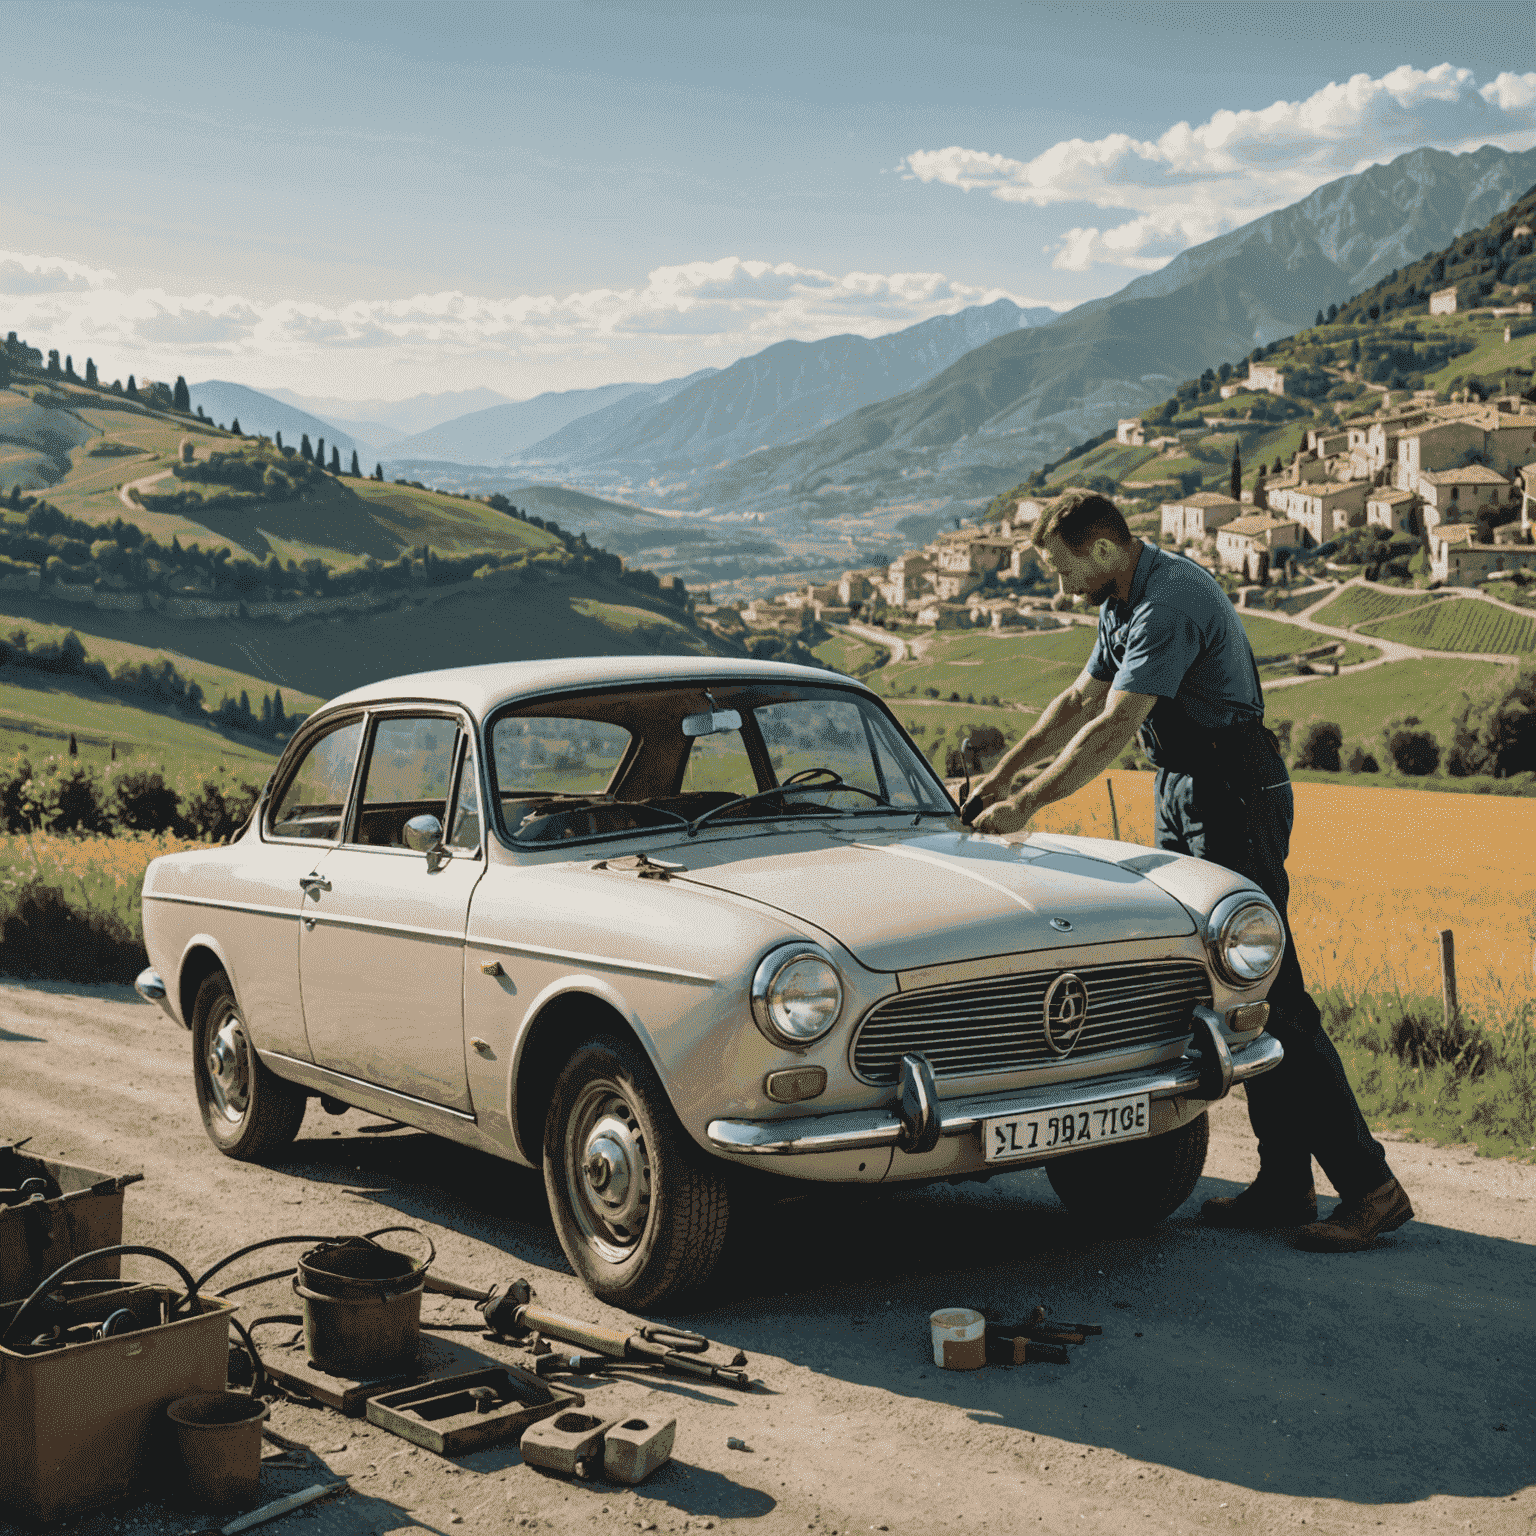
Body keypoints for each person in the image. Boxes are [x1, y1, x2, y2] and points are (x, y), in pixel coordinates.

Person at [962, 490, 1411, 1252]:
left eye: (1058, 565)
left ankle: (1371, 1187)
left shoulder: (1168, 602)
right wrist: (997, 780)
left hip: (1230, 788)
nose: (1054, 581)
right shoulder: (1119, 598)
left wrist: (1027, 805)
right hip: (1186, 786)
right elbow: (1078, 699)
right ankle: (1284, 1182)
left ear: (1101, 548)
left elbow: (1113, 724)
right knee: (1237, 994)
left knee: (1274, 993)